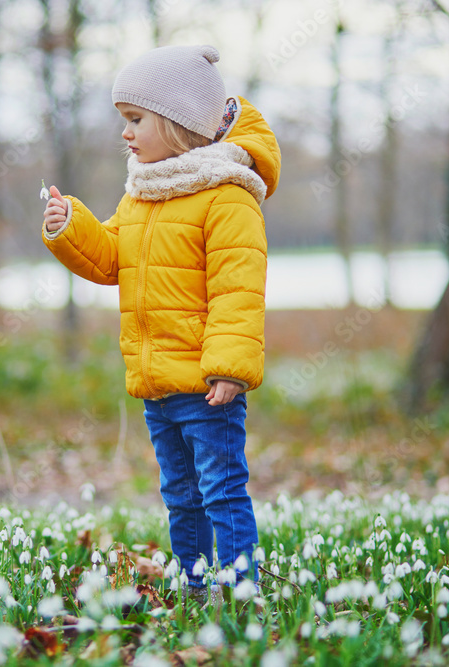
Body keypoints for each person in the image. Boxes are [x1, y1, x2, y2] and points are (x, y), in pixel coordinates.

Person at [41, 44, 280, 603]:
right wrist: (70, 224)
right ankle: (196, 588)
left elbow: (237, 290)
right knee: (180, 493)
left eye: (135, 120)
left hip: (207, 384)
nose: (125, 134)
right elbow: (109, 260)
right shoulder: (143, 194)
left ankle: (241, 593)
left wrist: (229, 368)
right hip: (157, 383)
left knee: (221, 490)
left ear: (177, 123)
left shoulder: (227, 197)